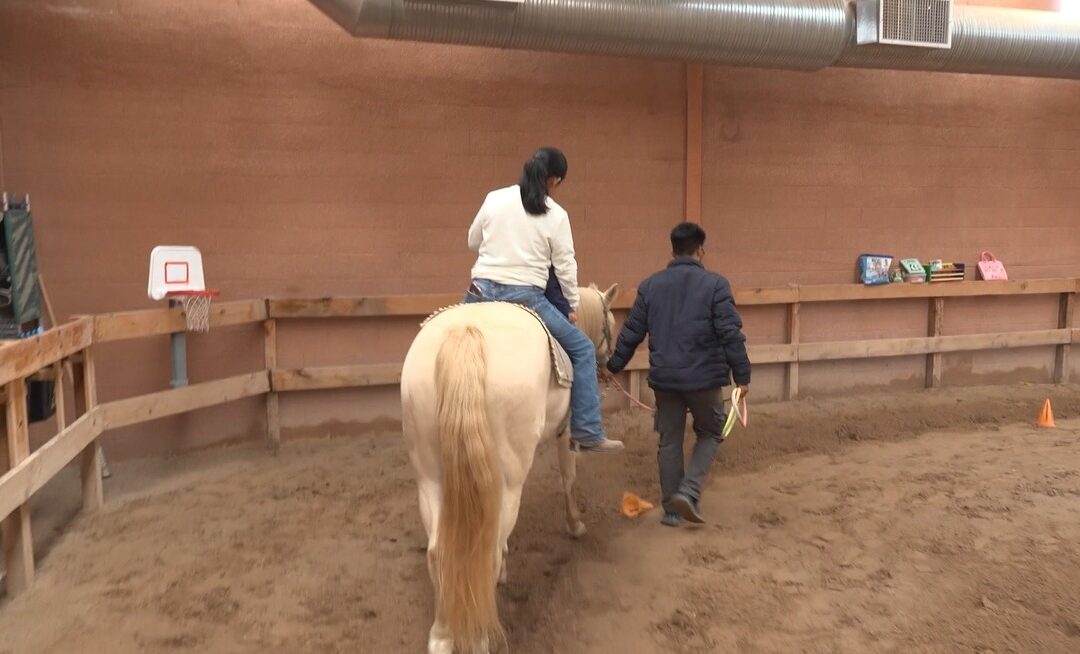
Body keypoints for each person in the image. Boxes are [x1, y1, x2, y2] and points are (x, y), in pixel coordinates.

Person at [464, 147, 623, 453]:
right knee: (584, 350)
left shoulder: (494, 198)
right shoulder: (557, 215)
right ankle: (588, 431)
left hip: (479, 292)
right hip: (526, 298)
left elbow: (473, 241)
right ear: (554, 181)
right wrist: (573, 304)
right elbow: (565, 267)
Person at [604, 222, 751, 525]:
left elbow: (631, 333)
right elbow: (730, 333)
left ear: (672, 249)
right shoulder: (716, 285)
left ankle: (672, 511)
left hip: (666, 379)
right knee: (711, 432)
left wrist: (613, 365)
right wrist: (742, 375)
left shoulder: (650, 286)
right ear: (700, 250)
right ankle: (689, 489)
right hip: (705, 379)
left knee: (669, 440)